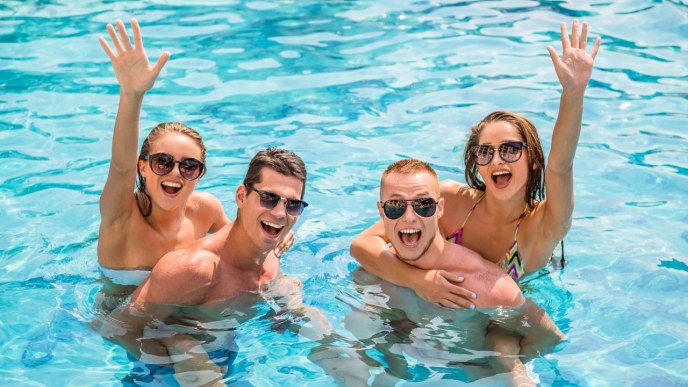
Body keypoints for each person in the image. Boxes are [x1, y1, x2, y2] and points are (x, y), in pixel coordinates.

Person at [350, 20, 602, 308]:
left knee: (502, 345)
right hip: (439, 305)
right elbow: (363, 245)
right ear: (477, 163)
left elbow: (561, 166)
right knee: (368, 279)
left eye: (510, 150)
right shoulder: (450, 200)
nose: (496, 160)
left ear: (533, 160)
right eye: (485, 152)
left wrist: (573, 94)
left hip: (507, 315)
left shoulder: (544, 225)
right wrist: (418, 282)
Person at [99, 147, 368, 386]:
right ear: (242, 196)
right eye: (268, 198)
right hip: (158, 374)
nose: (279, 213)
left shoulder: (271, 258)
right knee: (184, 344)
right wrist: (179, 361)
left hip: (229, 357)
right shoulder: (194, 269)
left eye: (292, 205)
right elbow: (116, 328)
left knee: (310, 317)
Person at [96, 19, 292, 296]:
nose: (175, 173)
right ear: (142, 167)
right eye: (162, 162)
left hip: (188, 309)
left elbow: (247, 238)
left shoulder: (205, 210)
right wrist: (132, 93)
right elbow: (120, 167)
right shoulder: (122, 217)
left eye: (189, 166)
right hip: (125, 324)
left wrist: (276, 231)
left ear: (199, 174)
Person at [345, 159, 564, 384]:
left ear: (440, 209)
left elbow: (549, 338)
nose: (409, 216)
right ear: (381, 212)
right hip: (416, 367)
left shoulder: (487, 288)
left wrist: (502, 364)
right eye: (395, 206)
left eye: (423, 205)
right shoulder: (374, 273)